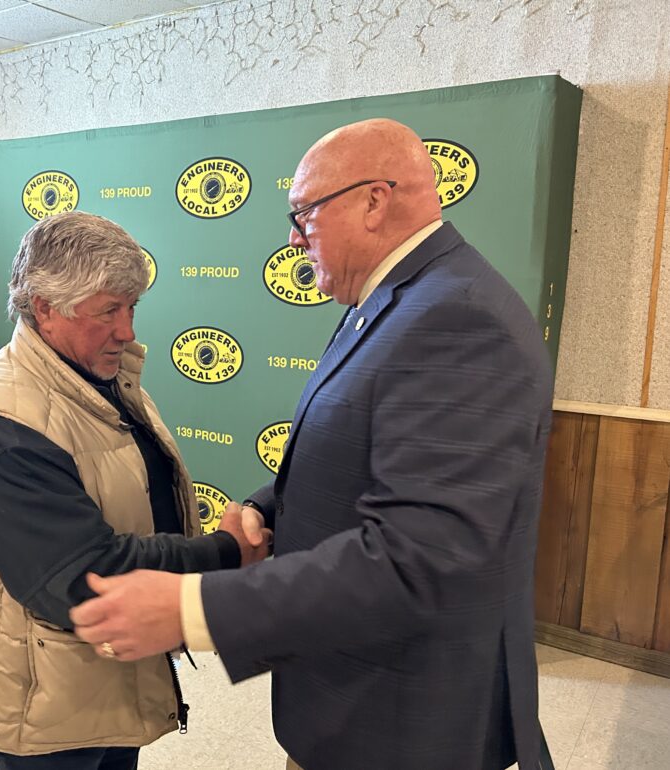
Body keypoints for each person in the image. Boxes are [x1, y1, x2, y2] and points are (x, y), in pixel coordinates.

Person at [70, 118, 554, 770]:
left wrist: (193, 610)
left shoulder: (455, 318)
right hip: (353, 691)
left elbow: (418, 558)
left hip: (401, 720)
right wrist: (267, 508)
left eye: (304, 215)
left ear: (374, 200)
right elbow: (360, 455)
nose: (294, 239)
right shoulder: (393, 301)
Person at [0, 210, 270, 770]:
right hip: (42, 718)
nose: (128, 330)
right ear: (45, 307)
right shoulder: (5, 425)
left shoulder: (98, 379)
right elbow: (81, 577)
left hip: (102, 682)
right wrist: (224, 553)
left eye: (132, 307)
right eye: (109, 310)